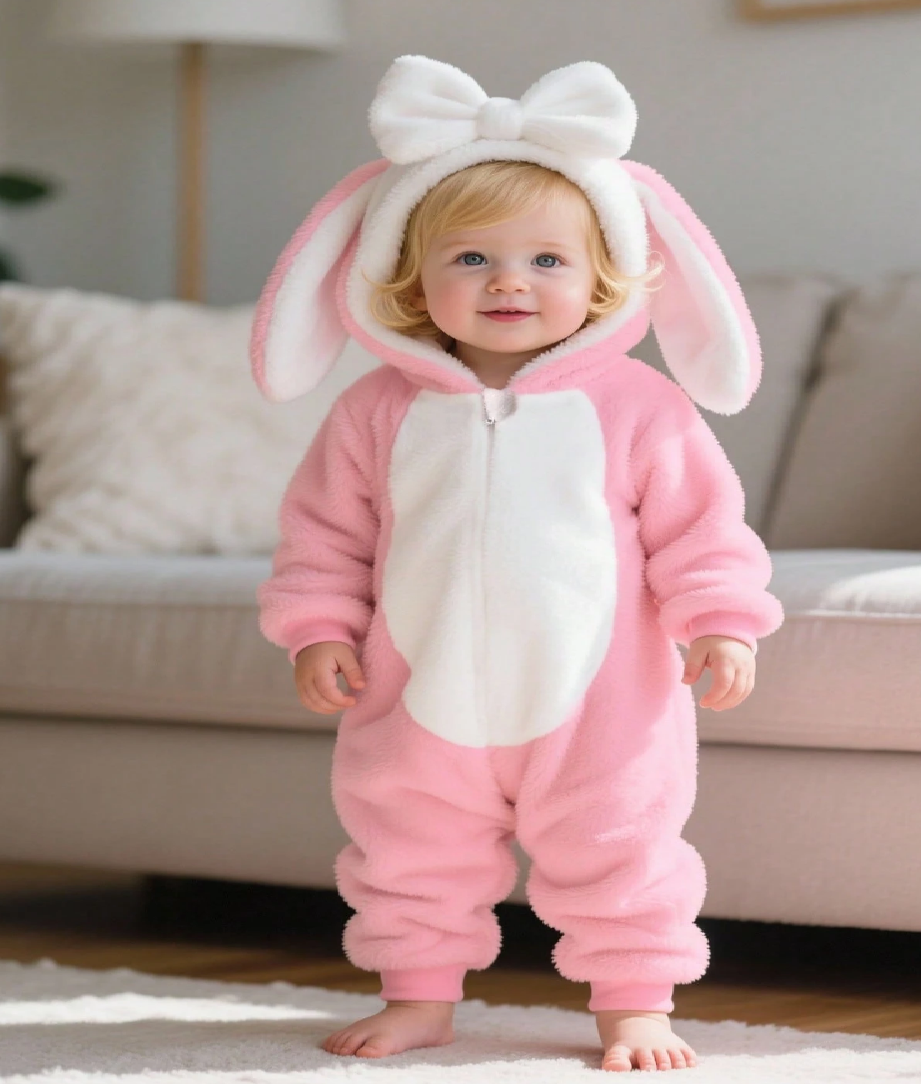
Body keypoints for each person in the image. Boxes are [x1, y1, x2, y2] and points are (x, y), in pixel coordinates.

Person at [250, 55, 785, 1073]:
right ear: (407, 282)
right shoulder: (377, 411)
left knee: (621, 844)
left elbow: (703, 527)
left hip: (601, 703)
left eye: (547, 261)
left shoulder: (638, 406)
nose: (507, 282)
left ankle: (634, 1002)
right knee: (405, 845)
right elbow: (323, 536)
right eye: (471, 260)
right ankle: (417, 997)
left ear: (604, 281)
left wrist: (721, 617)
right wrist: (316, 627)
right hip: (415, 692)